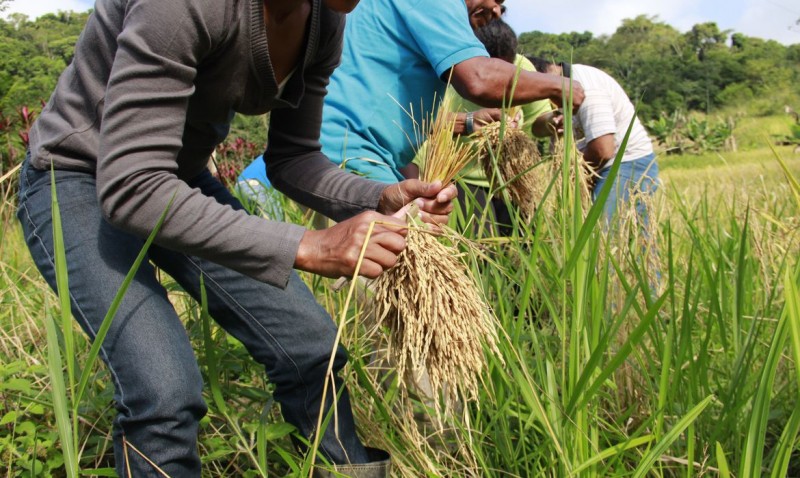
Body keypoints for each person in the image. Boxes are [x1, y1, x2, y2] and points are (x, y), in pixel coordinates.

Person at [16, 0, 457, 476]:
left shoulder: (326, 19)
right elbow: (133, 186)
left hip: (178, 182)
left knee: (311, 346)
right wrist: (309, 245)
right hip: (79, 177)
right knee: (164, 389)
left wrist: (378, 196)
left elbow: (295, 158)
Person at [319, 0, 585, 185]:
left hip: (350, 150)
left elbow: (403, 114)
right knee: (401, 250)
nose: (496, 10)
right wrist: (558, 85)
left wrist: (468, 122)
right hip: (352, 151)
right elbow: (479, 80)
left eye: (502, 5)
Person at [442, 18, 555, 236]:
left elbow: (539, 120)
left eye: (507, 66)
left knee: (521, 251)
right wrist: (467, 121)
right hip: (463, 180)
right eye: (493, 68)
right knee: (479, 253)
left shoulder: (522, 66)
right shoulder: (453, 68)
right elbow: (425, 120)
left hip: (513, 179)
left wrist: (553, 122)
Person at [529, 57, 659, 225]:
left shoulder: (586, 88)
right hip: (596, 167)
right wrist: (552, 120)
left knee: (600, 234)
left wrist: (571, 175)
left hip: (625, 164)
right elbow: (536, 129)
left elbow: (603, 150)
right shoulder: (557, 90)